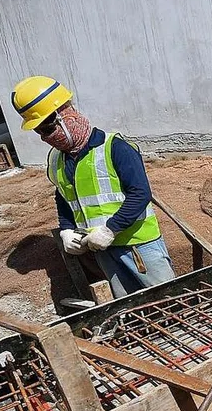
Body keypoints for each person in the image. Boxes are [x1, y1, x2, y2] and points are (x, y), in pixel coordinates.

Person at [11, 76, 176, 298]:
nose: (45, 137)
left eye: (48, 127)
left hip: (138, 244)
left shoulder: (115, 148)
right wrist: (67, 229)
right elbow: (63, 198)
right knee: (129, 305)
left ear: (67, 115)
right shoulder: (56, 160)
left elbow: (140, 193)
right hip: (102, 249)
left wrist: (111, 229)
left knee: (169, 299)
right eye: (40, 131)